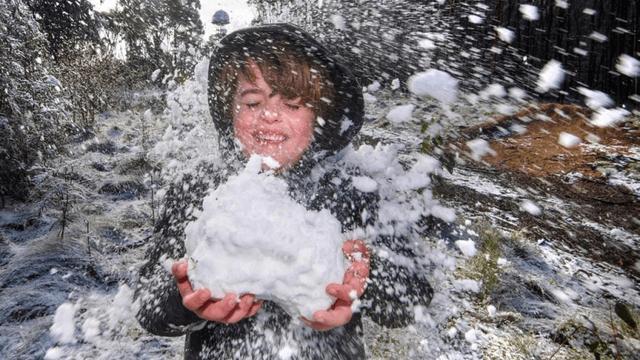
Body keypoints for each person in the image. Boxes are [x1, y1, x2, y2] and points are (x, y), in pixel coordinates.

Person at [135, 24, 433, 359]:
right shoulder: (198, 190)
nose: (270, 116)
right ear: (229, 111)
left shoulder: (358, 192)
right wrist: (185, 301)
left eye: (292, 104)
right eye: (252, 102)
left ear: (320, 115)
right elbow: (148, 308)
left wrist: (367, 275)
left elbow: (412, 299)